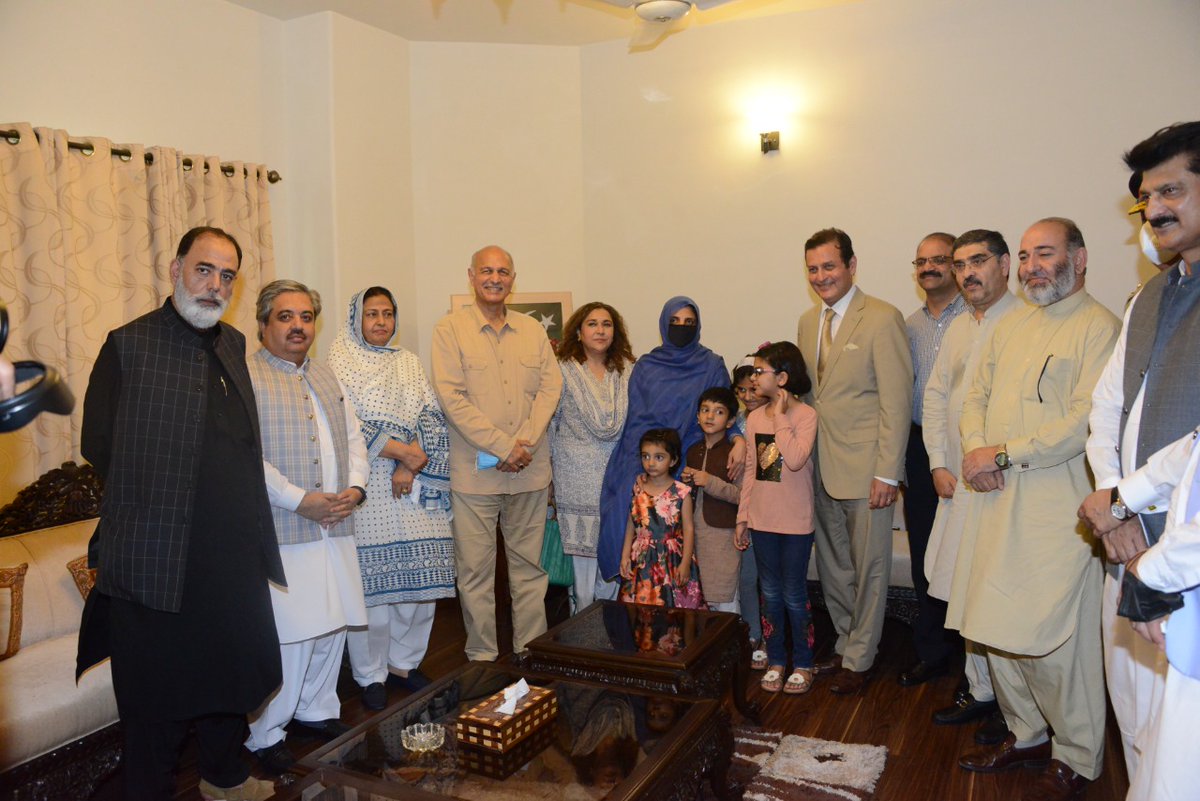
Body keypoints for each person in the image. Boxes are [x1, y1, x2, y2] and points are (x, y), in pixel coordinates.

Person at [78, 226, 281, 801]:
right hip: (155, 556)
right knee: (155, 694)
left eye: (226, 276)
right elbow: (99, 444)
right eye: (203, 270)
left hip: (230, 556)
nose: (214, 286)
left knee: (229, 673)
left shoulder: (234, 343)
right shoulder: (128, 343)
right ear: (175, 269)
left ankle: (224, 778)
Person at [952, 218, 1119, 801]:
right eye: (1024, 256)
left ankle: (1077, 754)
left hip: (1059, 511)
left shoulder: (1100, 329)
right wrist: (977, 451)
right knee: (995, 631)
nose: (1030, 267)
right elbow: (975, 394)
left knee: (1056, 643)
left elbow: (1082, 424)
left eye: (1043, 253)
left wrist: (1000, 452)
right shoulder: (1011, 324)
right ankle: (1026, 736)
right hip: (995, 500)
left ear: (1080, 256)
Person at [1075, 121, 1200, 797]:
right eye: (1147, 198)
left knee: (1181, 749)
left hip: (1187, 562)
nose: (1154, 210)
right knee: (1134, 725)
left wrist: (1129, 504)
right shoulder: (1151, 293)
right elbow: (1108, 406)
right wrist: (1113, 506)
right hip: (1124, 544)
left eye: (1173, 189)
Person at [245, 280, 369, 775]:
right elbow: (246, 457)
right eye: (285, 316)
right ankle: (265, 733)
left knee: (333, 620)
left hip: (336, 521)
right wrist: (301, 501)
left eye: (305, 317)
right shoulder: (246, 375)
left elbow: (354, 436)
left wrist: (356, 488)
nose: (298, 326)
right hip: (283, 525)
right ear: (263, 324)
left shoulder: (326, 374)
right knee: (291, 633)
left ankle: (317, 710)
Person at [431, 245, 563, 661]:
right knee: (474, 575)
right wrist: (506, 446)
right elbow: (451, 398)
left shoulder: (532, 330)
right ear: (471, 276)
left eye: (503, 271)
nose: (495, 278)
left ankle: (530, 653)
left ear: (513, 278)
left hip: (529, 471)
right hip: (475, 476)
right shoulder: (449, 330)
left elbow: (550, 388)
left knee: (530, 572)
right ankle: (482, 658)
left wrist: (522, 443)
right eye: (486, 270)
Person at [327, 287, 456, 711]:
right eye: (371, 314)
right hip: (365, 483)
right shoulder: (338, 359)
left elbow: (430, 414)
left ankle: (405, 663)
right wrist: (399, 452)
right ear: (355, 319)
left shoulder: (408, 361)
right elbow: (344, 421)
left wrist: (410, 463)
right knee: (374, 590)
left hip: (414, 480)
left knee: (418, 584)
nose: (381, 322)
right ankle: (371, 674)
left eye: (387, 314)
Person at [797, 228, 913, 695]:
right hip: (819, 468)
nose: (821, 276)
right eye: (813, 269)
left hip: (868, 471)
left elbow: (896, 401)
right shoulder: (807, 322)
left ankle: (862, 658)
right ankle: (846, 642)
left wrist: (888, 471)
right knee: (832, 566)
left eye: (829, 266)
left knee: (870, 567)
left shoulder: (883, 318)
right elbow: (808, 397)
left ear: (851, 265)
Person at [922, 229, 1020, 746]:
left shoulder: (1025, 323)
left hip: (1005, 486)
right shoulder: (960, 326)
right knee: (961, 589)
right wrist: (939, 462)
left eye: (977, 261)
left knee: (994, 595)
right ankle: (980, 691)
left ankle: (1014, 709)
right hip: (959, 484)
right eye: (960, 264)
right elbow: (937, 397)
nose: (967, 273)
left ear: (1005, 264)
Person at [598, 297, 737, 584]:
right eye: (674, 322)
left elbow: (725, 412)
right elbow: (636, 420)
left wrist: (739, 439)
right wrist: (642, 463)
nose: (681, 327)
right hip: (649, 450)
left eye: (689, 323)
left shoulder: (711, 365)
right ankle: (633, 577)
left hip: (692, 454)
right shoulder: (647, 366)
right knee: (625, 493)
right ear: (664, 324)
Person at [898, 232, 966, 687]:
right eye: (921, 261)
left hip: (965, 447)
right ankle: (933, 650)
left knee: (965, 553)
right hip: (919, 446)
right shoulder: (908, 326)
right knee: (925, 551)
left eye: (939, 259)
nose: (929, 268)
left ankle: (973, 660)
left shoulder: (977, 317)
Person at [735, 341, 818, 695]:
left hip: (796, 522)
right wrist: (743, 516)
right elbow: (756, 469)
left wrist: (781, 416)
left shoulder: (805, 416)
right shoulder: (754, 418)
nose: (754, 378)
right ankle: (776, 659)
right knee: (769, 593)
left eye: (760, 371)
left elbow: (795, 458)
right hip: (762, 520)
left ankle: (803, 661)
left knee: (794, 594)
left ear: (782, 378)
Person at [549, 301, 635, 612]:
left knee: (612, 562)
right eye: (592, 324)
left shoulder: (628, 371)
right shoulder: (560, 371)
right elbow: (551, 425)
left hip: (615, 480)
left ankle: (607, 635)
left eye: (607, 324)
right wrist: (548, 482)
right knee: (582, 578)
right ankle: (581, 636)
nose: (600, 330)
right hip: (574, 480)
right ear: (578, 331)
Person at [618, 428, 703, 608]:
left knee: (674, 610)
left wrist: (686, 562)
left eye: (659, 457)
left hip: (671, 560)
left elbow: (689, 529)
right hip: (641, 559)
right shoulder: (638, 488)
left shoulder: (681, 492)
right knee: (641, 611)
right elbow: (631, 524)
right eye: (645, 456)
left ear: (673, 460)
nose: (650, 463)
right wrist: (625, 554)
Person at [682, 386, 742, 612]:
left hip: (723, 534)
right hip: (695, 532)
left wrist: (709, 481)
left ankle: (731, 645)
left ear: (730, 421)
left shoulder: (734, 453)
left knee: (725, 598)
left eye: (718, 411)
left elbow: (742, 495)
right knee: (700, 598)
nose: (710, 416)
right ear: (697, 416)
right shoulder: (693, 450)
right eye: (705, 410)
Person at [733, 360, 767, 667]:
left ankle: (770, 637)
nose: (748, 395)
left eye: (753, 388)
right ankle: (753, 633)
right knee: (745, 578)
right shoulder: (735, 425)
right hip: (739, 511)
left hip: (767, 513)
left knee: (767, 581)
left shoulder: (774, 420)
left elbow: (770, 473)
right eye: (741, 389)